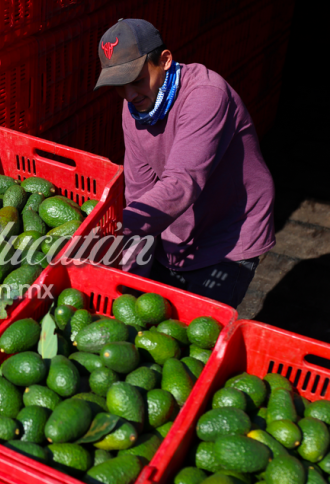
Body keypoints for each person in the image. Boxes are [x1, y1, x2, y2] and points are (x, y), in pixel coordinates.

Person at [94, 19, 275, 308]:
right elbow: (140, 192)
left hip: (229, 233)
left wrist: (107, 229)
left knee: (201, 334)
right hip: (176, 231)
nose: (129, 95)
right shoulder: (135, 108)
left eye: (138, 81)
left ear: (165, 60)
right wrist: (129, 280)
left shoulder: (205, 94)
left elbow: (182, 183)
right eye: (120, 86)